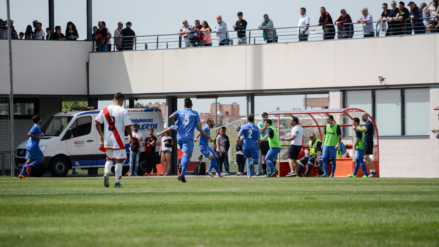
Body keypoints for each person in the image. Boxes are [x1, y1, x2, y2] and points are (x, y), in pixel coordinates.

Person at [156, 98, 214, 183]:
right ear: (192, 105)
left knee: (188, 155)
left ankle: (182, 166)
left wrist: (160, 132)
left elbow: (170, 120)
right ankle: (182, 174)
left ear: (184, 105)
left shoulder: (179, 113)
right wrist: (209, 137)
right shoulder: (195, 114)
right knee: (186, 155)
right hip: (188, 138)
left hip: (179, 137)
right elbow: (200, 128)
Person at [95, 92, 133, 188]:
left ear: (113, 100)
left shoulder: (105, 110)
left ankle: (106, 173)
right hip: (118, 140)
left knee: (109, 159)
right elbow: (128, 126)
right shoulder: (123, 111)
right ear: (121, 101)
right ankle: (117, 183)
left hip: (108, 140)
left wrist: (101, 134)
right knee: (119, 161)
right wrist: (131, 137)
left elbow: (96, 122)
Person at [19, 114, 45, 179]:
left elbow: (37, 137)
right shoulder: (36, 126)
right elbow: (29, 134)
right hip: (34, 146)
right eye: (40, 119)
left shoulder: (36, 127)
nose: (41, 120)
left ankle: (21, 174)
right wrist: (38, 136)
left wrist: (41, 136)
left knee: (29, 160)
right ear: (39, 120)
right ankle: (29, 166)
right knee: (42, 158)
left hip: (29, 145)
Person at [237, 114, 261, 178]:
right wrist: (258, 142)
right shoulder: (256, 128)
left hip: (245, 146)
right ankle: (252, 163)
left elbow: (239, 136)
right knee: (255, 161)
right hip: (253, 146)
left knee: (249, 159)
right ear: (253, 119)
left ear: (247, 119)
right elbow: (258, 139)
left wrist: (238, 140)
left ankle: (250, 174)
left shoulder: (244, 126)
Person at [354, 112, 377, 177]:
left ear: (367, 116)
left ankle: (372, 171)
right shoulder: (367, 123)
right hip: (366, 141)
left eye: (363, 116)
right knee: (365, 157)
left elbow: (364, 130)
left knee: (366, 157)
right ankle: (372, 171)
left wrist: (356, 129)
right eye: (361, 116)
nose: (362, 118)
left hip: (368, 141)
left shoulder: (369, 123)